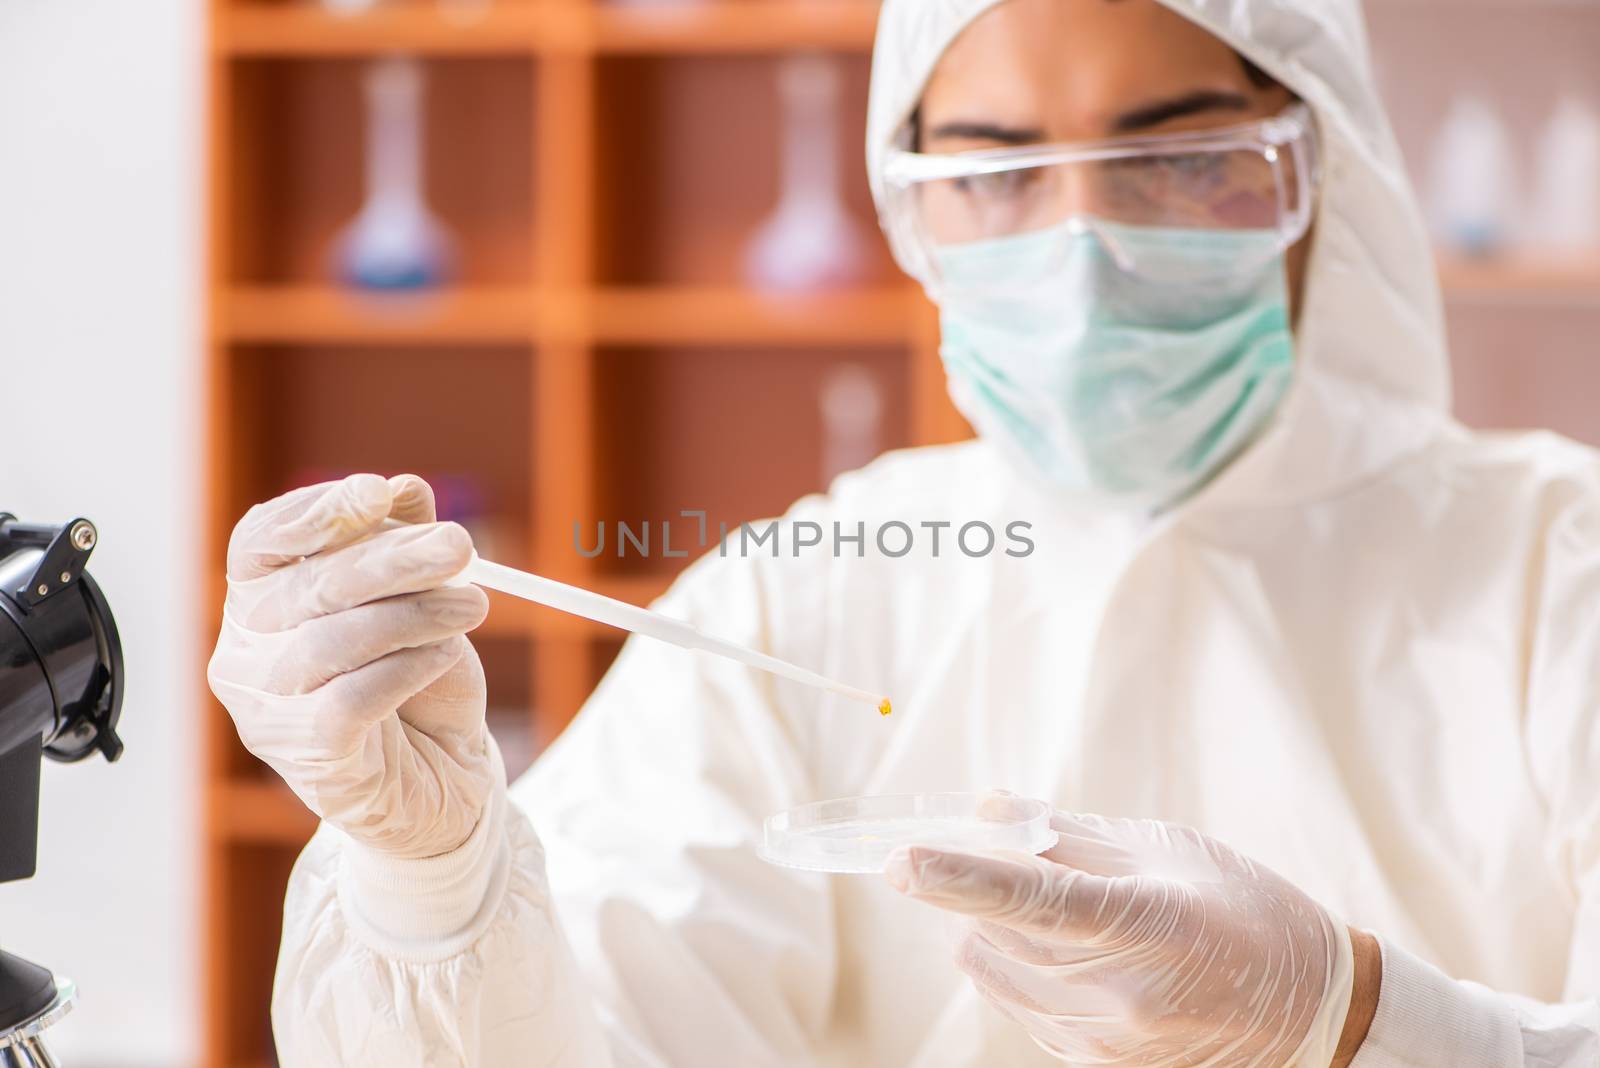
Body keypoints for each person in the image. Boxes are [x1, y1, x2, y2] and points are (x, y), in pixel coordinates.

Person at [207, 0, 1600, 1064]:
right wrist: (433, 883)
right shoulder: (803, 595)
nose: (1084, 245)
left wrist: (1351, 1016)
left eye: (1179, 158)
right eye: (997, 174)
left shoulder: (1561, 565)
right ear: (912, 211)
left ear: (1319, 172)